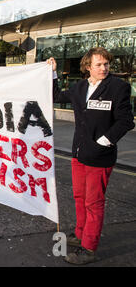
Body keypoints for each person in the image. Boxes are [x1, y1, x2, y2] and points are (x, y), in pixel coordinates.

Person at [47, 47, 134, 265]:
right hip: (78, 153)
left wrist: (102, 142)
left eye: (106, 64)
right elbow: (56, 96)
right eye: (99, 64)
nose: (104, 68)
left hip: (100, 156)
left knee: (94, 203)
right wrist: (53, 73)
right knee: (79, 197)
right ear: (88, 67)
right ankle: (80, 233)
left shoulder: (118, 87)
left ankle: (89, 247)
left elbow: (125, 121)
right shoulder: (80, 87)